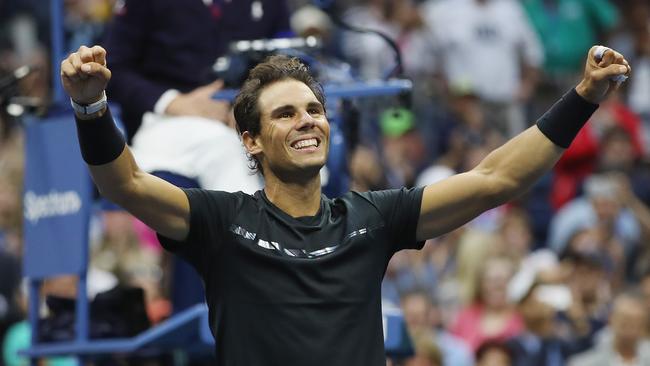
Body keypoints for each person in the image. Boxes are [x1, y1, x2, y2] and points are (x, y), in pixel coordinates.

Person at [60, 43, 630, 364]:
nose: (306, 120)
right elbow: (126, 184)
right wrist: (91, 108)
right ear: (251, 141)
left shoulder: (372, 217)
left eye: (314, 110)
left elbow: (494, 179)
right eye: (284, 113)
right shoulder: (222, 219)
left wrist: (582, 98)